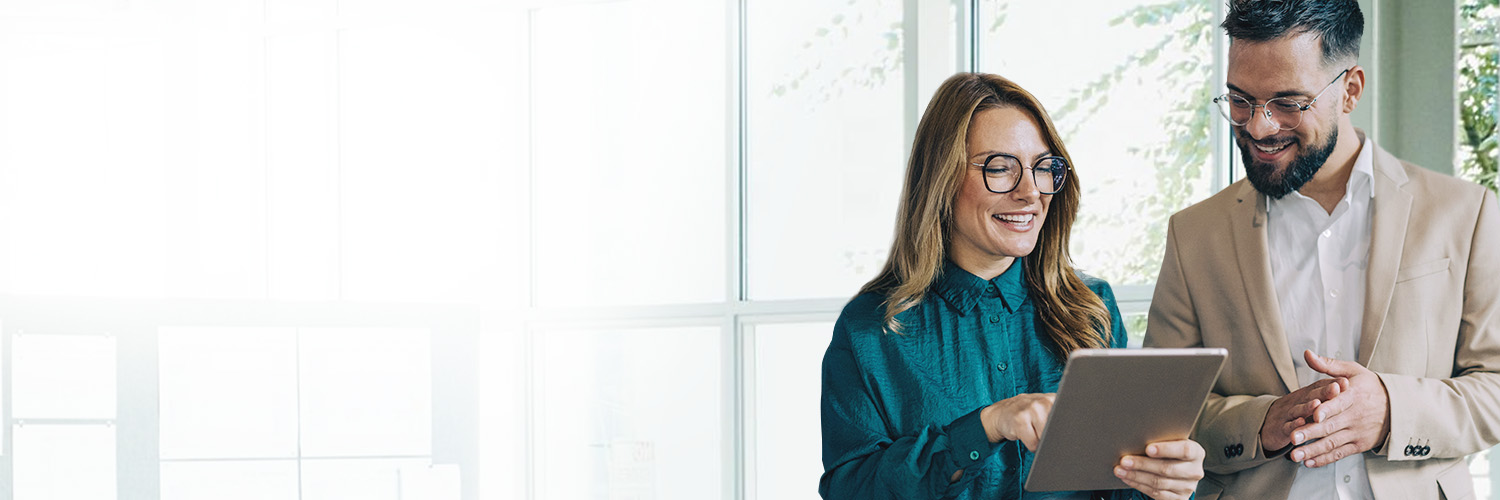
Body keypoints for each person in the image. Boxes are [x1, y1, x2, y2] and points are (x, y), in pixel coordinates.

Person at [1143, 1, 1500, 499]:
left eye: (1288, 103)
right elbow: (1162, 412)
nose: (1259, 128)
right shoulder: (1193, 234)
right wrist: (1260, 424)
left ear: (1350, 89)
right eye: (1240, 101)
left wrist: (1392, 410)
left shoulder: (1468, 213)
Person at [819, 72, 1205, 500]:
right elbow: (850, 490)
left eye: (1043, 168)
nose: (1030, 192)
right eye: (1000, 169)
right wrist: (985, 426)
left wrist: (1161, 484)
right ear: (941, 180)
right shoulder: (871, 329)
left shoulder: (1093, 308)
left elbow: (1115, 485)